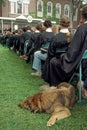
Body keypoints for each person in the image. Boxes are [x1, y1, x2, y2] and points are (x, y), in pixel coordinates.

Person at [42, 5, 87, 86]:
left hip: (81, 63)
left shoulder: (82, 29)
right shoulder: (71, 35)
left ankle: (55, 86)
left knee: (53, 61)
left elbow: (73, 51)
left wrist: (63, 56)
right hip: (84, 61)